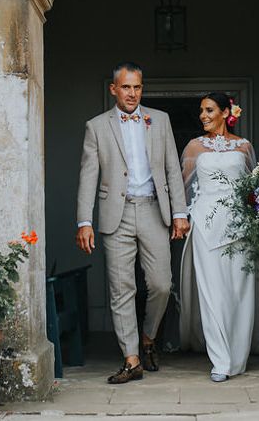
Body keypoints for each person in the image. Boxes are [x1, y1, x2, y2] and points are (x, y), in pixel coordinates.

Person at [76, 62, 190, 384]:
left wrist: (179, 212)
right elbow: (88, 176)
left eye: (137, 87)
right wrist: (84, 221)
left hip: (155, 210)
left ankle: (149, 337)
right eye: (126, 87)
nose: (132, 93)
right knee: (121, 289)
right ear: (113, 89)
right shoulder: (96, 126)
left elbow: (171, 168)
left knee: (161, 284)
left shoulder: (160, 120)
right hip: (117, 214)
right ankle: (131, 359)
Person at [179, 92, 259, 382]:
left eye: (209, 110)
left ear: (225, 112)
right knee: (212, 294)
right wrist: (180, 218)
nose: (203, 116)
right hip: (205, 225)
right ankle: (220, 360)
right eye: (201, 111)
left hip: (239, 225)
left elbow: (254, 188)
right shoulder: (194, 147)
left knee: (239, 291)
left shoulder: (244, 147)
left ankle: (238, 356)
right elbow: (182, 186)